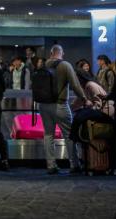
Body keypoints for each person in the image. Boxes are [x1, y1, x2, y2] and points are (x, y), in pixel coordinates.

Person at [38, 44, 87, 175]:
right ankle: (74, 164)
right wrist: (84, 99)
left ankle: (51, 165)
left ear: (51, 53)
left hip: (43, 105)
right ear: (61, 53)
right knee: (69, 135)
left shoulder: (43, 65)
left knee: (48, 135)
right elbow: (76, 85)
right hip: (60, 105)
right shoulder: (65, 65)